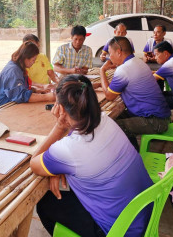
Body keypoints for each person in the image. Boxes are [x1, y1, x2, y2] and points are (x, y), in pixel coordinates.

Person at [30, 74, 153, 237]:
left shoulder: (68, 150)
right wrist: (57, 165)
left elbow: (34, 163)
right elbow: (75, 147)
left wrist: (59, 127)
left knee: (46, 204)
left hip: (121, 231)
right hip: (145, 211)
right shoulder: (104, 120)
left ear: (59, 109)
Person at [100, 37, 171, 150]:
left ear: (118, 52)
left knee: (113, 127)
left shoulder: (123, 70)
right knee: (111, 119)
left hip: (156, 121)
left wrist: (102, 71)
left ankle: (132, 156)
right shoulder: (138, 62)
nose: (109, 57)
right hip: (161, 115)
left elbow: (109, 96)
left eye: (110, 53)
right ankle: (134, 151)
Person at [0, 41, 55, 110]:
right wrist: (47, 97)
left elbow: (20, 88)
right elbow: (20, 96)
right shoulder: (13, 70)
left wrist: (36, 90)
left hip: (10, 106)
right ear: (26, 57)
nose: (34, 62)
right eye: (33, 60)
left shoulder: (19, 67)